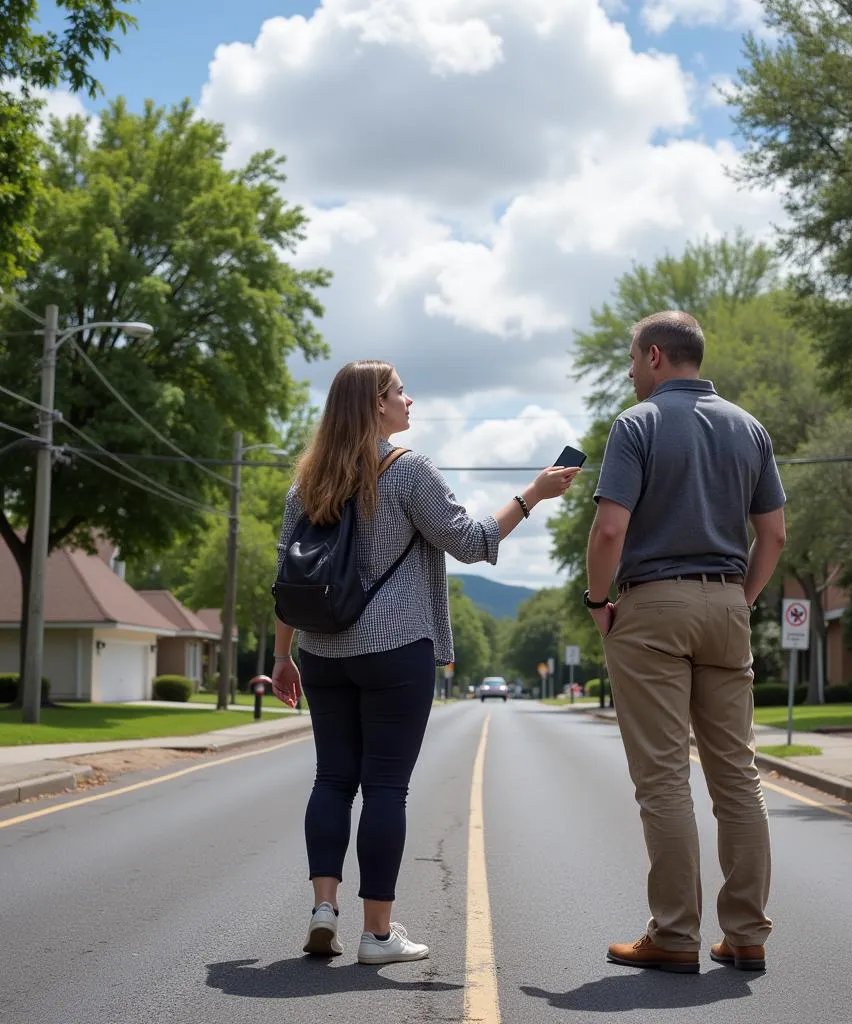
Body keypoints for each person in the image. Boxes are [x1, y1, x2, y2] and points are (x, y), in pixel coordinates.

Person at [271, 359, 580, 964]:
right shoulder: (409, 472)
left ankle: (323, 910)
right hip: (394, 649)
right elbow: (471, 542)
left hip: (322, 653)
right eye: (399, 393)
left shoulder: (303, 486)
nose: (409, 402)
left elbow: (286, 579)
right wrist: (533, 495)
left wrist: (283, 656)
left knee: (332, 780)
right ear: (375, 407)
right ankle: (377, 936)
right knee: (386, 787)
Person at [584, 310, 787, 974]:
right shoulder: (749, 427)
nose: (629, 370)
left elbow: (610, 530)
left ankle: (675, 937)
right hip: (728, 600)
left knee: (664, 778)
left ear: (653, 357)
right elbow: (774, 536)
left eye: (631, 358)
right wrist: (739, 600)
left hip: (653, 606)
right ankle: (747, 933)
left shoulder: (635, 424)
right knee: (737, 777)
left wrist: (597, 601)